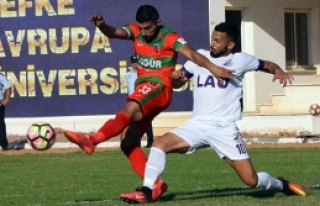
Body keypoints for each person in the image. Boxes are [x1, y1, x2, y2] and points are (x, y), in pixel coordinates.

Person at [119, 22, 306, 203]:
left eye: (218, 41)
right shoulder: (200, 57)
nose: (212, 43)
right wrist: (176, 78)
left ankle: (280, 184)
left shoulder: (240, 60)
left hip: (224, 128)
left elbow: (268, 65)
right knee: (159, 144)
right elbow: (180, 81)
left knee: (251, 180)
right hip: (198, 124)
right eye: (212, 38)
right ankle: (147, 191)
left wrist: (279, 71)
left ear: (230, 44)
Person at [63, 5, 234, 201]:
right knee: (128, 142)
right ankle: (154, 185)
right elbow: (114, 32)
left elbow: (194, 55)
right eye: (142, 28)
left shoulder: (170, 37)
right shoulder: (136, 31)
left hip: (159, 87)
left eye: (148, 29)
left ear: (158, 22)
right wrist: (102, 26)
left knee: (129, 110)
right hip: (144, 88)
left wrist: (214, 68)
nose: (144, 33)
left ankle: (90, 141)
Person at [125, 55, 154, 148]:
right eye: (134, 63)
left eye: (136, 62)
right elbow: (129, 88)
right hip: (132, 100)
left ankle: (150, 141)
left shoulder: (143, 73)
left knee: (146, 121)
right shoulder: (128, 74)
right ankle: (137, 143)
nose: (135, 64)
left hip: (142, 99)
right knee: (134, 121)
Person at [0, 73, 15, 151]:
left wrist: (7, 99)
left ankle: (4, 145)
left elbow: (8, 87)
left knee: (0, 125)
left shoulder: (0, 76)